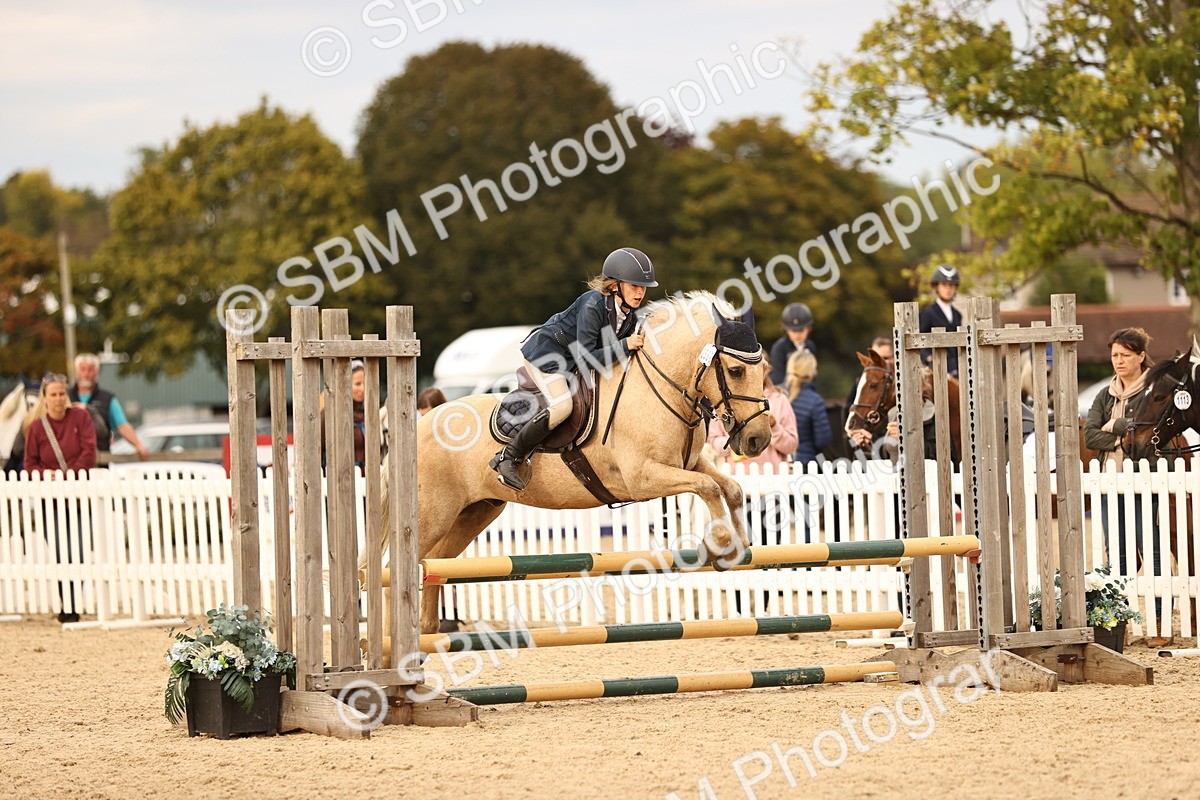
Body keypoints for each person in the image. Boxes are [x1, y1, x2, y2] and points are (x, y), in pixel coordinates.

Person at [489, 247, 656, 491]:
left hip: (571, 360)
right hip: (546, 356)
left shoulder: (629, 314)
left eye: (643, 287)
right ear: (614, 285)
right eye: (634, 286)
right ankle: (508, 457)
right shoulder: (593, 305)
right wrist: (625, 345)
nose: (640, 292)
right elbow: (587, 359)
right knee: (563, 406)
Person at [1083, 327, 1168, 646]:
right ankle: (1121, 622)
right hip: (1111, 481)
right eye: (1114, 355)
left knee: (1152, 550)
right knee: (1116, 554)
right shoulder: (1105, 394)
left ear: (1141, 356)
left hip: (1146, 481)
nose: (1117, 361)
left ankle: (1160, 622)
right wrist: (1123, 435)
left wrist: (1116, 427)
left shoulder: (1156, 389)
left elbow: (1150, 434)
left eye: (1125, 355)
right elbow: (1090, 435)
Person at [24, 373, 98, 624]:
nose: (57, 399)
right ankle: (65, 603)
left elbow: (89, 451)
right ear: (44, 398)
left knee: (77, 550)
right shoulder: (36, 428)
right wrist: (50, 476)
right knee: (58, 551)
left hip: (77, 497)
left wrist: (71, 475)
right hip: (50, 500)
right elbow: (30, 464)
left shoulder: (81, 417)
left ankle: (74, 603)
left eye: (61, 394)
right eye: (53, 394)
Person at [69, 353, 149, 464]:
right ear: (76, 372)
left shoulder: (107, 398)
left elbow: (122, 425)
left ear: (97, 372)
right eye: (82, 369)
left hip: (101, 459)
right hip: (70, 461)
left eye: (90, 370)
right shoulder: (65, 397)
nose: (86, 374)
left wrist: (138, 445)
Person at [845, 336, 894, 455]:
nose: (879, 362)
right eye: (875, 357)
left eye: (885, 358)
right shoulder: (862, 382)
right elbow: (848, 412)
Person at [787, 351, 831, 467]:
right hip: (805, 463)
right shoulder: (815, 401)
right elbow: (822, 440)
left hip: (777, 462)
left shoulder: (776, 394)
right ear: (811, 372)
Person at [918, 264, 962, 377]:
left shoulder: (957, 314)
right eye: (944, 285)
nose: (948, 289)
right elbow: (921, 339)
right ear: (936, 287)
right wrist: (928, 357)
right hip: (937, 370)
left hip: (958, 369)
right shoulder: (928, 313)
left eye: (951, 285)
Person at [768, 302, 816, 387]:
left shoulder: (810, 346)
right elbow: (777, 378)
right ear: (786, 330)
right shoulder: (779, 348)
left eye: (801, 330)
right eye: (793, 331)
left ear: (809, 329)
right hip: (785, 392)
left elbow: (813, 376)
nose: (797, 334)